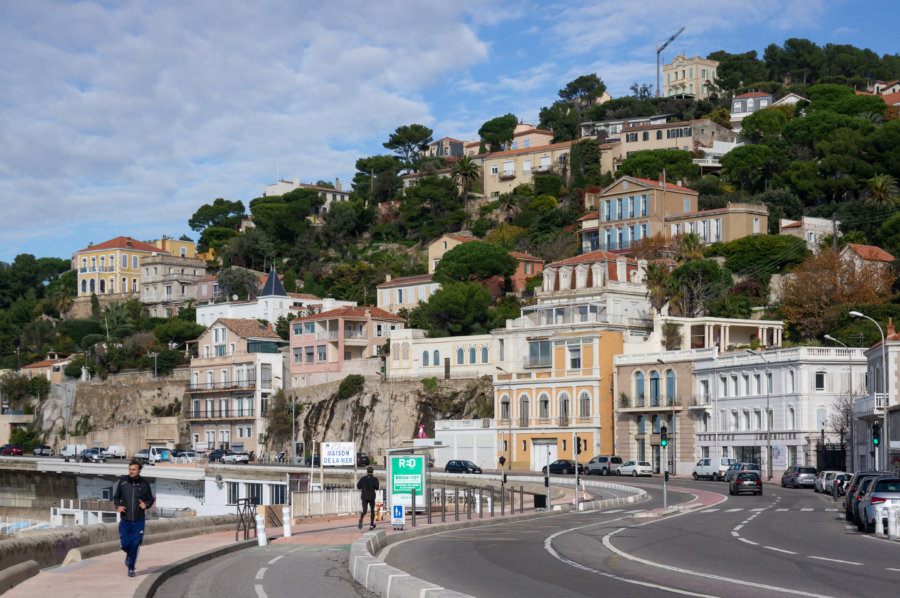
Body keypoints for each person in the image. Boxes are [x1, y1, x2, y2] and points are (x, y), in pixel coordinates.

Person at [114, 458, 156, 577]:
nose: (131, 471)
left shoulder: (144, 484)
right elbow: (116, 497)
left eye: (134, 469)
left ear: (139, 470)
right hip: (125, 519)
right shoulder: (123, 482)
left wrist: (146, 505)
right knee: (125, 544)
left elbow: (150, 499)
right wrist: (118, 506)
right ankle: (129, 555)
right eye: (130, 469)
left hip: (139, 520)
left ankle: (131, 568)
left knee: (136, 544)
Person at [357, 466, 379, 530]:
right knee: (372, 511)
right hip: (372, 497)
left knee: (364, 511)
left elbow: (358, 486)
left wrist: (364, 487)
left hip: (364, 496)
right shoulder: (375, 479)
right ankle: (371, 524)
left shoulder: (363, 478)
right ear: (372, 472)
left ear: (367, 471)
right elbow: (377, 488)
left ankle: (361, 517)